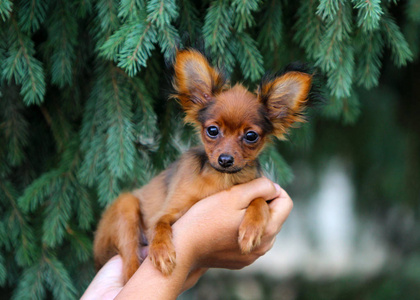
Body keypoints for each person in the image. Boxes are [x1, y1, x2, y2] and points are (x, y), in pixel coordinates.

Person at [81, 177, 293, 300]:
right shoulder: (193, 176)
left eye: (249, 136)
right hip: (137, 229)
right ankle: (132, 273)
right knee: (126, 205)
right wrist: (189, 245)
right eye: (213, 131)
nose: (227, 154)